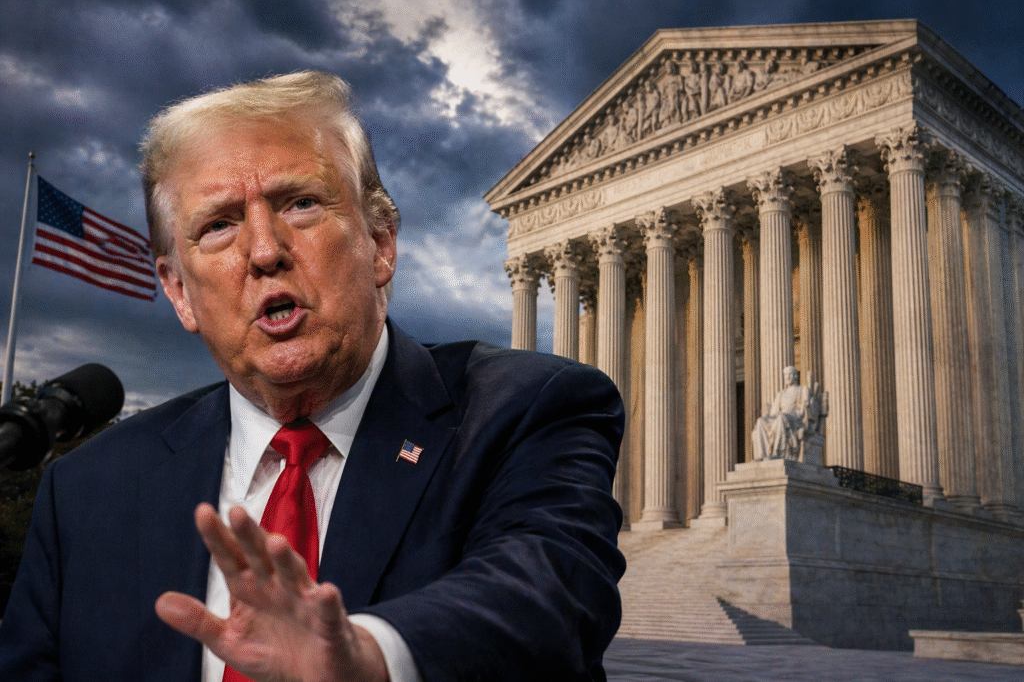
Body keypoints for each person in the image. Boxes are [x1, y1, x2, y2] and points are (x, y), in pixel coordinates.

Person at [0, 71, 625, 682]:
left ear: (380, 242)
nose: (264, 250)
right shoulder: (86, 491)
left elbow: (551, 590)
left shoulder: (528, 408)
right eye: (219, 224)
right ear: (179, 291)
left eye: (300, 204)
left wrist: (370, 657)